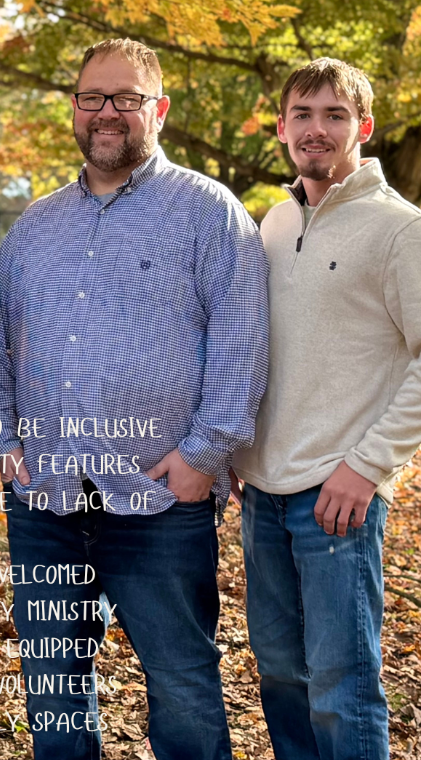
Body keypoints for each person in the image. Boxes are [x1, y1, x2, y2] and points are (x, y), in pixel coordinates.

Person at [0, 38, 269, 760]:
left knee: (183, 690)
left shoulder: (208, 212)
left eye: (127, 99)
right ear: (73, 109)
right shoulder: (34, 227)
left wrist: (204, 456)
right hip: (45, 502)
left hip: (158, 500)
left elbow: (242, 342)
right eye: (92, 98)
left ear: (158, 110)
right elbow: (1, 347)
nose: (108, 113)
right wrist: (4, 442)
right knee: (52, 693)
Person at [232, 58, 421, 760]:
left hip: (337, 498)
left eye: (335, 115)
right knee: (281, 677)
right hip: (264, 494)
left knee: (342, 688)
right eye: (303, 115)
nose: (317, 129)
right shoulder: (276, 222)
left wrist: (367, 467)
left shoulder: (400, 230)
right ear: (281, 128)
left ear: (362, 127)